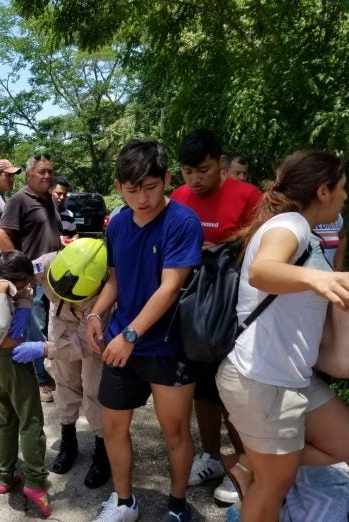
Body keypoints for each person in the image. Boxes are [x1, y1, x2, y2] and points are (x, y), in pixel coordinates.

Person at [216, 150, 349, 521]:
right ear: (322, 191)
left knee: (348, 442)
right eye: (342, 188)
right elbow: (264, 271)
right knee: (273, 490)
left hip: (291, 378)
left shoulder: (309, 234)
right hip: (261, 379)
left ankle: (253, 461)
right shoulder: (289, 226)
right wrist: (322, 277)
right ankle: (262, 467)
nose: (345, 196)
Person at [87, 139, 203, 522]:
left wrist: (130, 336)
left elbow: (170, 287)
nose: (143, 198)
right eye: (132, 189)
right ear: (119, 187)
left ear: (167, 179)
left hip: (167, 346)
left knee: (175, 433)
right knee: (113, 425)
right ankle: (124, 503)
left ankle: (176, 504)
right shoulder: (118, 222)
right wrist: (95, 315)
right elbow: (116, 280)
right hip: (122, 341)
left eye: (151, 187)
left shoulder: (182, 222)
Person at [171, 129, 261, 504]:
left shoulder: (249, 196)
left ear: (221, 162)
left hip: (234, 313)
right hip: (191, 310)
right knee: (203, 392)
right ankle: (210, 457)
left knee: (235, 394)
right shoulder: (178, 196)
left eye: (204, 169)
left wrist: (220, 247)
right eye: (189, 171)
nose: (196, 179)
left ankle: (246, 465)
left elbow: (261, 246)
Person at [12, 238, 112, 488]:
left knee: (94, 389)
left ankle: (103, 452)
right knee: (64, 383)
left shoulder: (105, 298)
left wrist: (45, 348)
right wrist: (22, 303)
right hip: (60, 321)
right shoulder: (48, 263)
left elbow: (84, 346)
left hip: (88, 332)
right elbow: (18, 277)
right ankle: (69, 442)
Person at [0, 251, 52, 518]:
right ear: (8, 280)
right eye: (24, 283)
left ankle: (5, 475)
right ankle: (36, 483)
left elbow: (26, 296)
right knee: (30, 420)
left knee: (7, 419)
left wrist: (24, 299)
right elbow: (2, 322)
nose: (27, 288)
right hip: (13, 362)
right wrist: (4, 292)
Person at [0, 153, 62, 402]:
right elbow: (3, 234)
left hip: (53, 280)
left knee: (52, 326)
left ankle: (51, 372)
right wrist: (21, 271)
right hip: (32, 280)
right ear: (29, 175)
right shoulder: (19, 199)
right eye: (42, 171)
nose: (47, 175)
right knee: (35, 329)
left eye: (50, 171)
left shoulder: (49, 200)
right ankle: (40, 380)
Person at [51, 175, 78, 244]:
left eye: (65, 194)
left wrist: (73, 240)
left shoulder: (69, 214)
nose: (62, 197)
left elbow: (74, 234)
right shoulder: (42, 212)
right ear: (50, 191)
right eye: (59, 193)